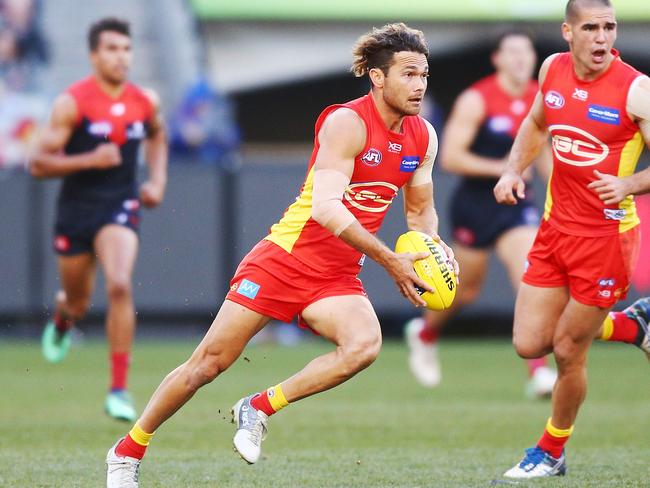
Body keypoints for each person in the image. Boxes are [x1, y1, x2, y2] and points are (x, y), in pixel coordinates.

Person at [105, 22, 457, 487]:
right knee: (207, 365)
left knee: (364, 346)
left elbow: (420, 212)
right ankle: (127, 453)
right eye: (408, 74)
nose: (419, 85)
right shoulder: (346, 124)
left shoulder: (424, 137)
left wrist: (430, 247)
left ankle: (259, 406)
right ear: (377, 77)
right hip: (284, 259)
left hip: (336, 276)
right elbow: (327, 209)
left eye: (424, 75)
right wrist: (388, 259)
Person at [493, 0, 650, 478]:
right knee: (528, 343)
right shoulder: (552, 69)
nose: (602, 37)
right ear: (567, 31)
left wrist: (627, 185)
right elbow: (538, 123)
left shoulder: (636, 90)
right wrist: (513, 169)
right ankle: (633, 327)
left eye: (609, 27)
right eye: (591, 28)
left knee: (566, 349)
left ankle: (550, 450)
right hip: (554, 229)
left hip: (606, 240)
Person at [404, 29, 557, 397]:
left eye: (527, 53)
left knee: (529, 277)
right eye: (513, 53)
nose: (522, 59)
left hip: (517, 206)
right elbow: (452, 156)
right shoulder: (478, 99)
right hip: (475, 206)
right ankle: (424, 333)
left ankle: (538, 371)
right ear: (497, 59)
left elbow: (545, 153)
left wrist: (560, 194)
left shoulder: (542, 98)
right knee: (465, 291)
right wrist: (503, 169)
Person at [30, 17, 167, 422]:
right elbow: (37, 163)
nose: (121, 57)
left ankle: (119, 390)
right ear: (93, 56)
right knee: (78, 300)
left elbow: (157, 135)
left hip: (120, 204)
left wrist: (156, 180)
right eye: (111, 49)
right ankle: (63, 317)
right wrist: (90, 158)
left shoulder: (146, 101)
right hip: (75, 211)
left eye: (126, 48)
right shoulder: (72, 102)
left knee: (120, 283)